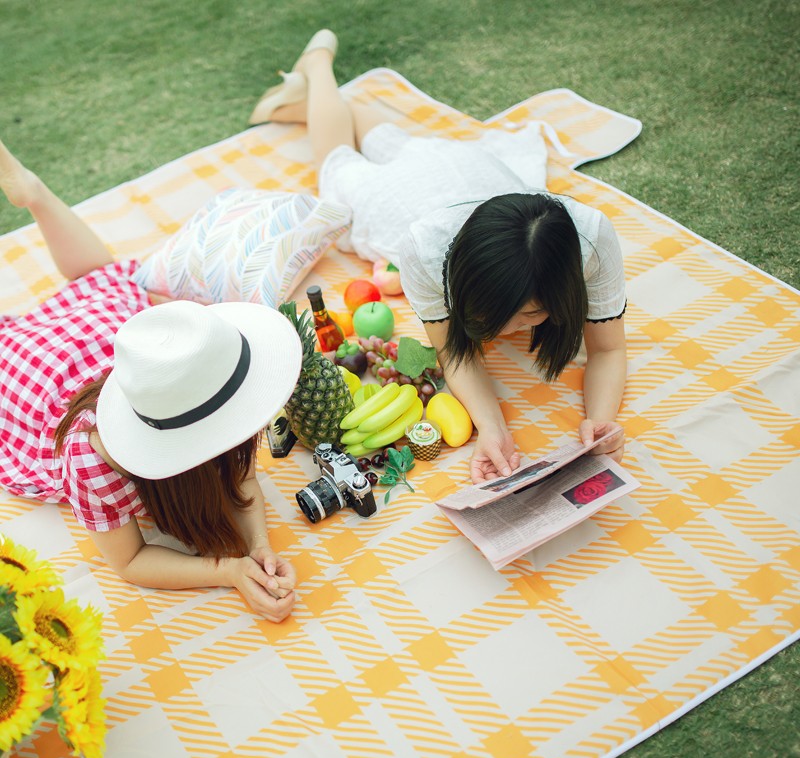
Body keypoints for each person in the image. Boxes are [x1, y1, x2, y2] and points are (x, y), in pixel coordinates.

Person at [250, 30, 627, 484]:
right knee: (339, 164)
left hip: (470, 171)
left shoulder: (591, 241)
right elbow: (455, 352)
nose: (504, 331)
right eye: (492, 313)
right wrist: (492, 426)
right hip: (399, 198)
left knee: (393, 140)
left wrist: (600, 418)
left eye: (529, 314)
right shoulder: (426, 251)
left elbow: (609, 348)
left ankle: (308, 99)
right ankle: (317, 65)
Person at [0, 138, 302, 622]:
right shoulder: (94, 457)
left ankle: (35, 193)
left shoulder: (205, 378)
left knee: (101, 285)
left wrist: (258, 547)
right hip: (36, 375)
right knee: (78, 298)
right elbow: (129, 559)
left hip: (116, 350)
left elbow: (242, 476)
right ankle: (32, 192)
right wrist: (226, 571)